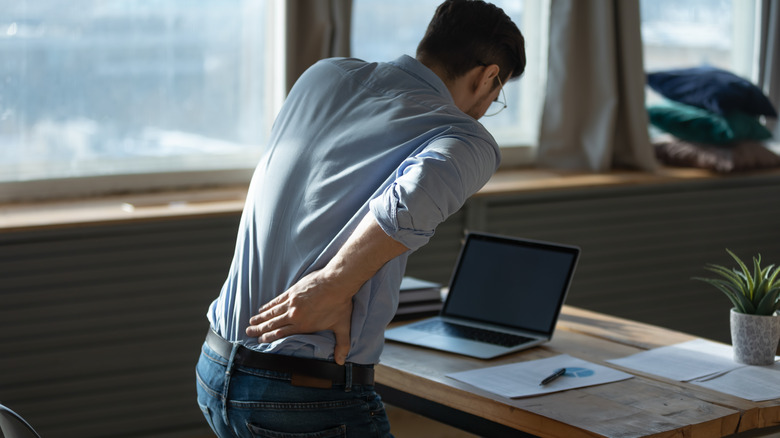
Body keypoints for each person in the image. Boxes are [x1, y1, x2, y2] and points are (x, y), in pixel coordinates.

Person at [195, 1, 526, 436]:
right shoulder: (464, 136)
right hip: (304, 390)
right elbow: (412, 201)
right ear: (489, 77)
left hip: (216, 365)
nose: (487, 107)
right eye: (496, 95)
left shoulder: (323, 75)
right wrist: (332, 284)